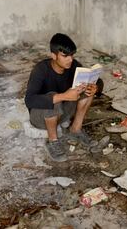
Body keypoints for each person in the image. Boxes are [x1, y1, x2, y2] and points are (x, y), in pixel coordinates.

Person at [25, 33, 103, 162]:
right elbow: (30, 100)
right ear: (54, 55)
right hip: (40, 118)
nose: (70, 59)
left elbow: (97, 81)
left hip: (62, 115)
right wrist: (63, 96)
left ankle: (75, 130)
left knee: (88, 91)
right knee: (52, 96)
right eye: (65, 56)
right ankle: (53, 141)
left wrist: (96, 87)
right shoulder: (40, 70)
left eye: (71, 55)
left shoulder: (73, 66)